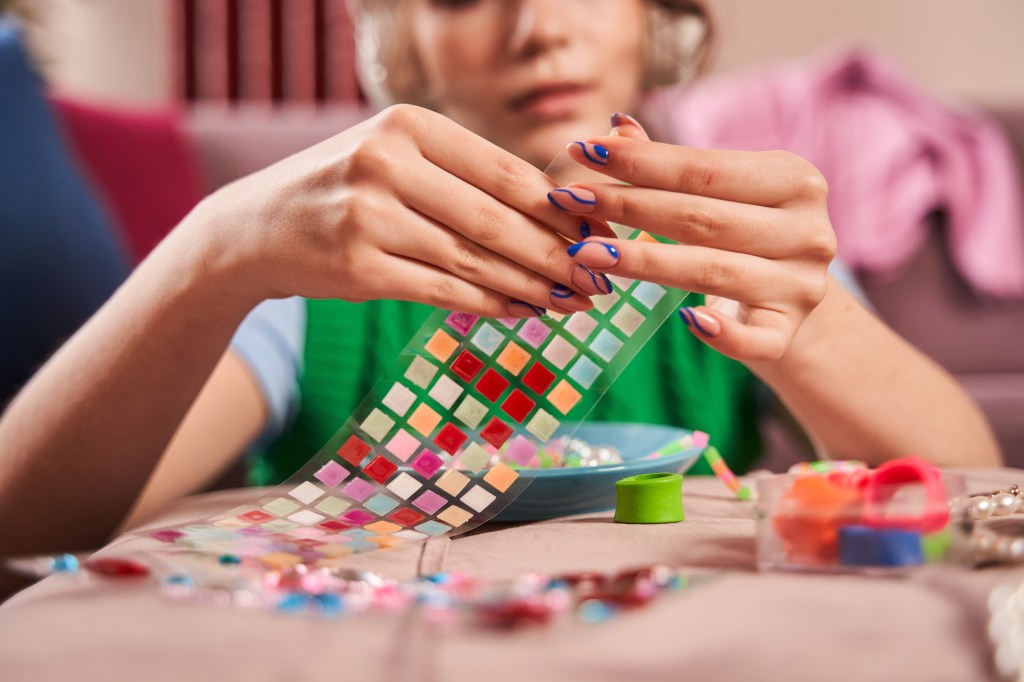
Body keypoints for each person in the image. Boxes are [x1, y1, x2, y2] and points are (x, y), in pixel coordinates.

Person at [0, 0, 1000, 572]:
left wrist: (810, 320)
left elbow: (960, 485)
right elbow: (24, 523)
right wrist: (214, 249)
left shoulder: (724, 246)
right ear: (401, 38)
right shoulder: (316, 275)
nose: (536, 30)